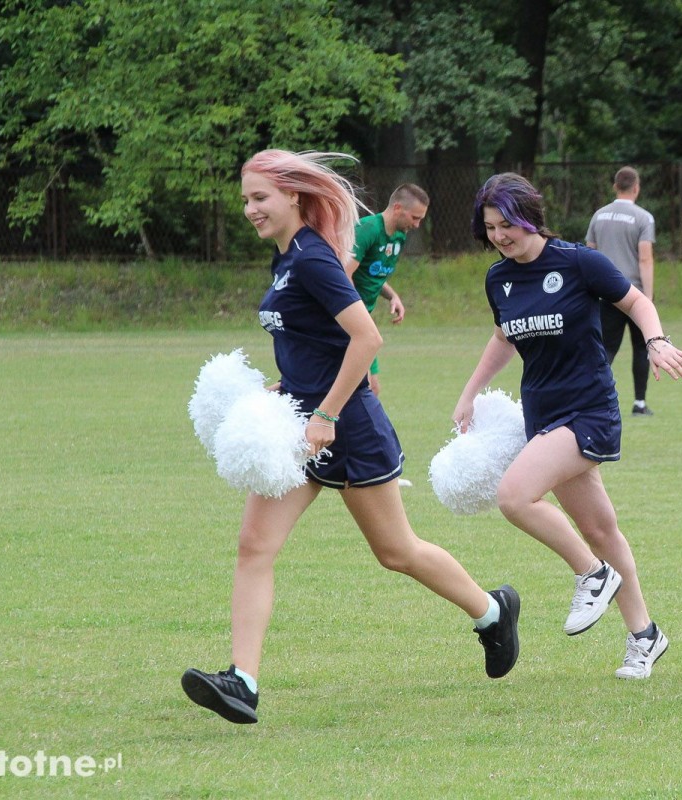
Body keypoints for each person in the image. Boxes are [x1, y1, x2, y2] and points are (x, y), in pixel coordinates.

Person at [181, 151, 519, 725]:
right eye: (245, 200)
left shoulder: (313, 257)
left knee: (397, 552)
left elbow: (366, 340)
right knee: (254, 545)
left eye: (260, 197)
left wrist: (326, 414)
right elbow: (313, 343)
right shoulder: (285, 258)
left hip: (348, 426)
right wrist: (282, 388)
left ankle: (492, 612)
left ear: (293, 195)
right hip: (300, 425)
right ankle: (242, 681)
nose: (250, 209)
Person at [454, 173, 682, 678]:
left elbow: (636, 301)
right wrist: (470, 392)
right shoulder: (499, 279)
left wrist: (655, 341)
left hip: (589, 410)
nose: (499, 236)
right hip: (542, 413)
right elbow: (503, 337)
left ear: (529, 217)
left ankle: (592, 574)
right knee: (601, 529)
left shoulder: (578, 262)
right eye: (490, 228)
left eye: (506, 225)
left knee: (515, 496)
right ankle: (645, 636)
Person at [342, 183, 430, 397]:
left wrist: (393, 296)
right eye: (415, 218)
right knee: (360, 390)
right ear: (398, 208)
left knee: (370, 389)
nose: (417, 225)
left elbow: (373, 274)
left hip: (363, 326)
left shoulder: (398, 237)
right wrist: (357, 315)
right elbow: (344, 275)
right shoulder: (368, 229)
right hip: (345, 323)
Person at [586, 166, 657, 416]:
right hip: (634, 293)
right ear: (636, 188)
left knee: (605, 349)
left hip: (606, 294)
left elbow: (589, 253)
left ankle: (592, 400)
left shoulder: (599, 216)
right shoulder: (643, 218)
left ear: (615, 186)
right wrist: (648, 297)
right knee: (642, 347)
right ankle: (640, 403)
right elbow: (645, 259)